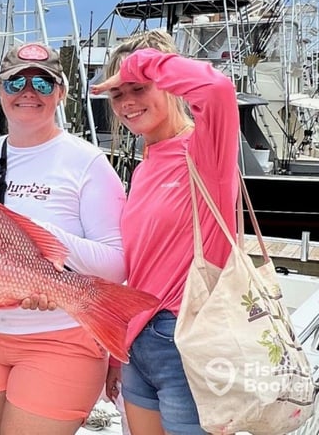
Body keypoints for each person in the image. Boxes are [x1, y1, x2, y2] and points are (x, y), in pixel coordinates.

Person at [0, 42, 127, 435]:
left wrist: (39, 238)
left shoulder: (88, 162)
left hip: (60, 340)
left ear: (61, 93)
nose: (28, 92)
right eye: (15, 82)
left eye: (42, 83)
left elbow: (117, 263)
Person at [91, 29, 239, 435]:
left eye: (139, 88)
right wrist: (117, 350)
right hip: (138, 342)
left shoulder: (204, 151)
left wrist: (143, 61)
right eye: (117, 94)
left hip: (187, 340)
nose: (127, 102)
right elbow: (142, 267)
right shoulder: (145, 164)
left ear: (167, 84)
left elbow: (217, 90)